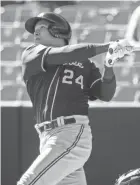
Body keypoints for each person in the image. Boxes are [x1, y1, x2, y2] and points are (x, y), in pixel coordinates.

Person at [18, 12, 130, 185]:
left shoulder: (85, 63)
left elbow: (104, 94)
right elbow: (65, 54)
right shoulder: (31, 53)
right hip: (47, 138)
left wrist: (109, 64)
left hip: (70, 133)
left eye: (41, 27)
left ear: (57, 30)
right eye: (35, 29)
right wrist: (107, 45)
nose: (35, 32)